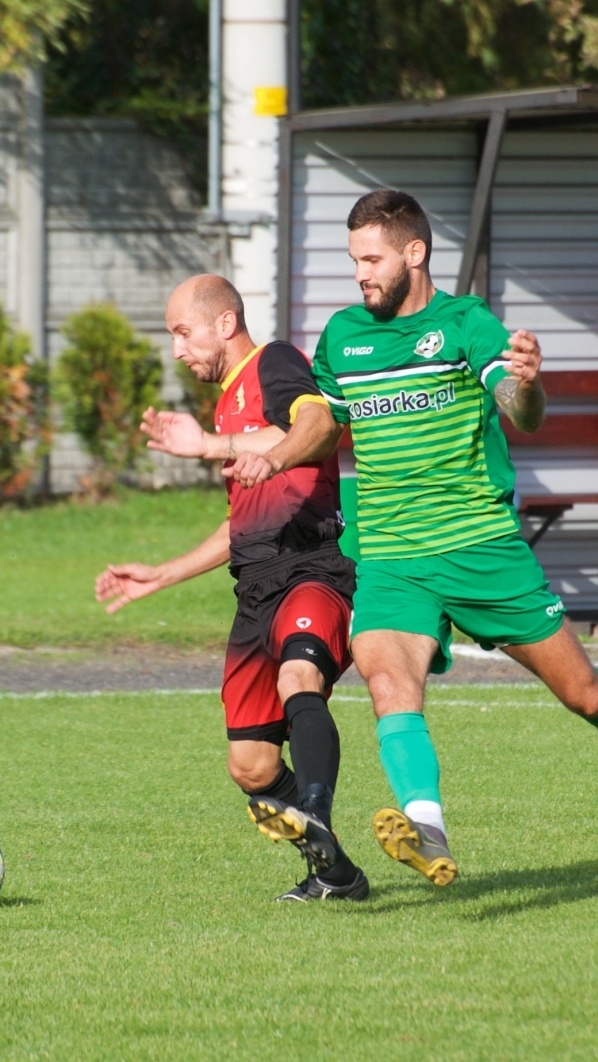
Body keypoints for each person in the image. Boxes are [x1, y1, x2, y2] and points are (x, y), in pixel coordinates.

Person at [228, 189, 598, 888]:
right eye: (354, 261)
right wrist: (277, 454)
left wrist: (527, 383)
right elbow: (321, 422)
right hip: (389, 557)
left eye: (371, 259)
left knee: (583, 693)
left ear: (416, 253)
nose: (361, 274)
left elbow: (519, 410)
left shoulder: (467, 324)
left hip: (481, 548)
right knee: (385, 675)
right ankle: (427, 827)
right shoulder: (346, 337)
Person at [95, 274, 369, 901]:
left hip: (310, 568)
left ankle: (318, 815)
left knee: (300, 678)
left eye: (181, 332)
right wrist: (161, 574)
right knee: (251, 764)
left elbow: (318, 425)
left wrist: (211, 446)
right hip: (255, 590)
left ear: (223, 323)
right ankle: (339, 876)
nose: (176, 349)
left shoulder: (274, 363)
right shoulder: (225, 402)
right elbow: (240, 523)